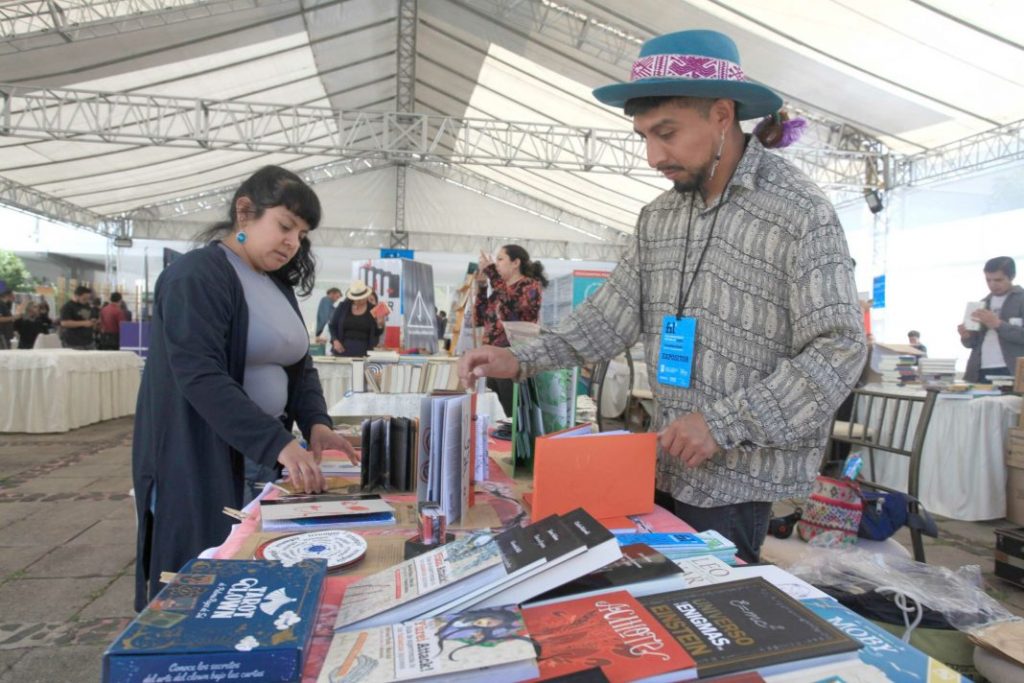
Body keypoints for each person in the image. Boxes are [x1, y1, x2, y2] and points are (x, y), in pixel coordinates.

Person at [458, 30, 865, 563]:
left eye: (666, 133)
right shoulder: (661, 217)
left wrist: (724, 424)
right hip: (660, 460)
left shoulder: (798, 213)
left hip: (738, 476)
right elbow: (612, 314)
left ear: (722, 115)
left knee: (707, 612)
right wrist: (522, 356)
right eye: (643, 136)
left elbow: (839, 348)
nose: (653, 156)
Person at [132, 165, 358, 611]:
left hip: (260, 457)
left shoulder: (274, 283)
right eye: (285, 226)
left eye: (301, 233)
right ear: (244, 212)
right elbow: (200, 375)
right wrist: (276, 442)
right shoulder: (197, 276)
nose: (292, 242)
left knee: (251, 584)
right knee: (204, 586)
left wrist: (315, 422)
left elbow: (299, 363)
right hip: (205, 458)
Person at [474, 244, 547, 416]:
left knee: (511, 415)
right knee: (492, 414)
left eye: (500, 259)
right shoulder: (499, 290)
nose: (496, 264)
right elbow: (479, 318)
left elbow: (512, 310)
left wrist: (491, 273)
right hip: (490, 359)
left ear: (515, 263)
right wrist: (483, 287)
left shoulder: (530, 286)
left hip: (512, 359)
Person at [958, 256, 1024, 383]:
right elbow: (971, 344)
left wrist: (997, 324)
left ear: (1012, 276)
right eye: (988, 280)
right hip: (980, 369)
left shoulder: (1021, 299)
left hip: (1012, 369)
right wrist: (966, 336)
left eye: (998, 280)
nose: (992, 285)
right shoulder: (982, 303)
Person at [328, 281, 386, 357]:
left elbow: (377, 333)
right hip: (341, 350)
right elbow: (332, 326)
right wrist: (335, 341)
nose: (359, 301)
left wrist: (380, 324)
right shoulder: (343, 307)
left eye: (361, 298)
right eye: (356, 299)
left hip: (364, 352)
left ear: (366, 296)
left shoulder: (373, 309)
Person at [0, 285, 13, 350]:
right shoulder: (1, 304)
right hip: (2, 334)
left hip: (5, 335)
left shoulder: (4, 305)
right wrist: (13, 317)